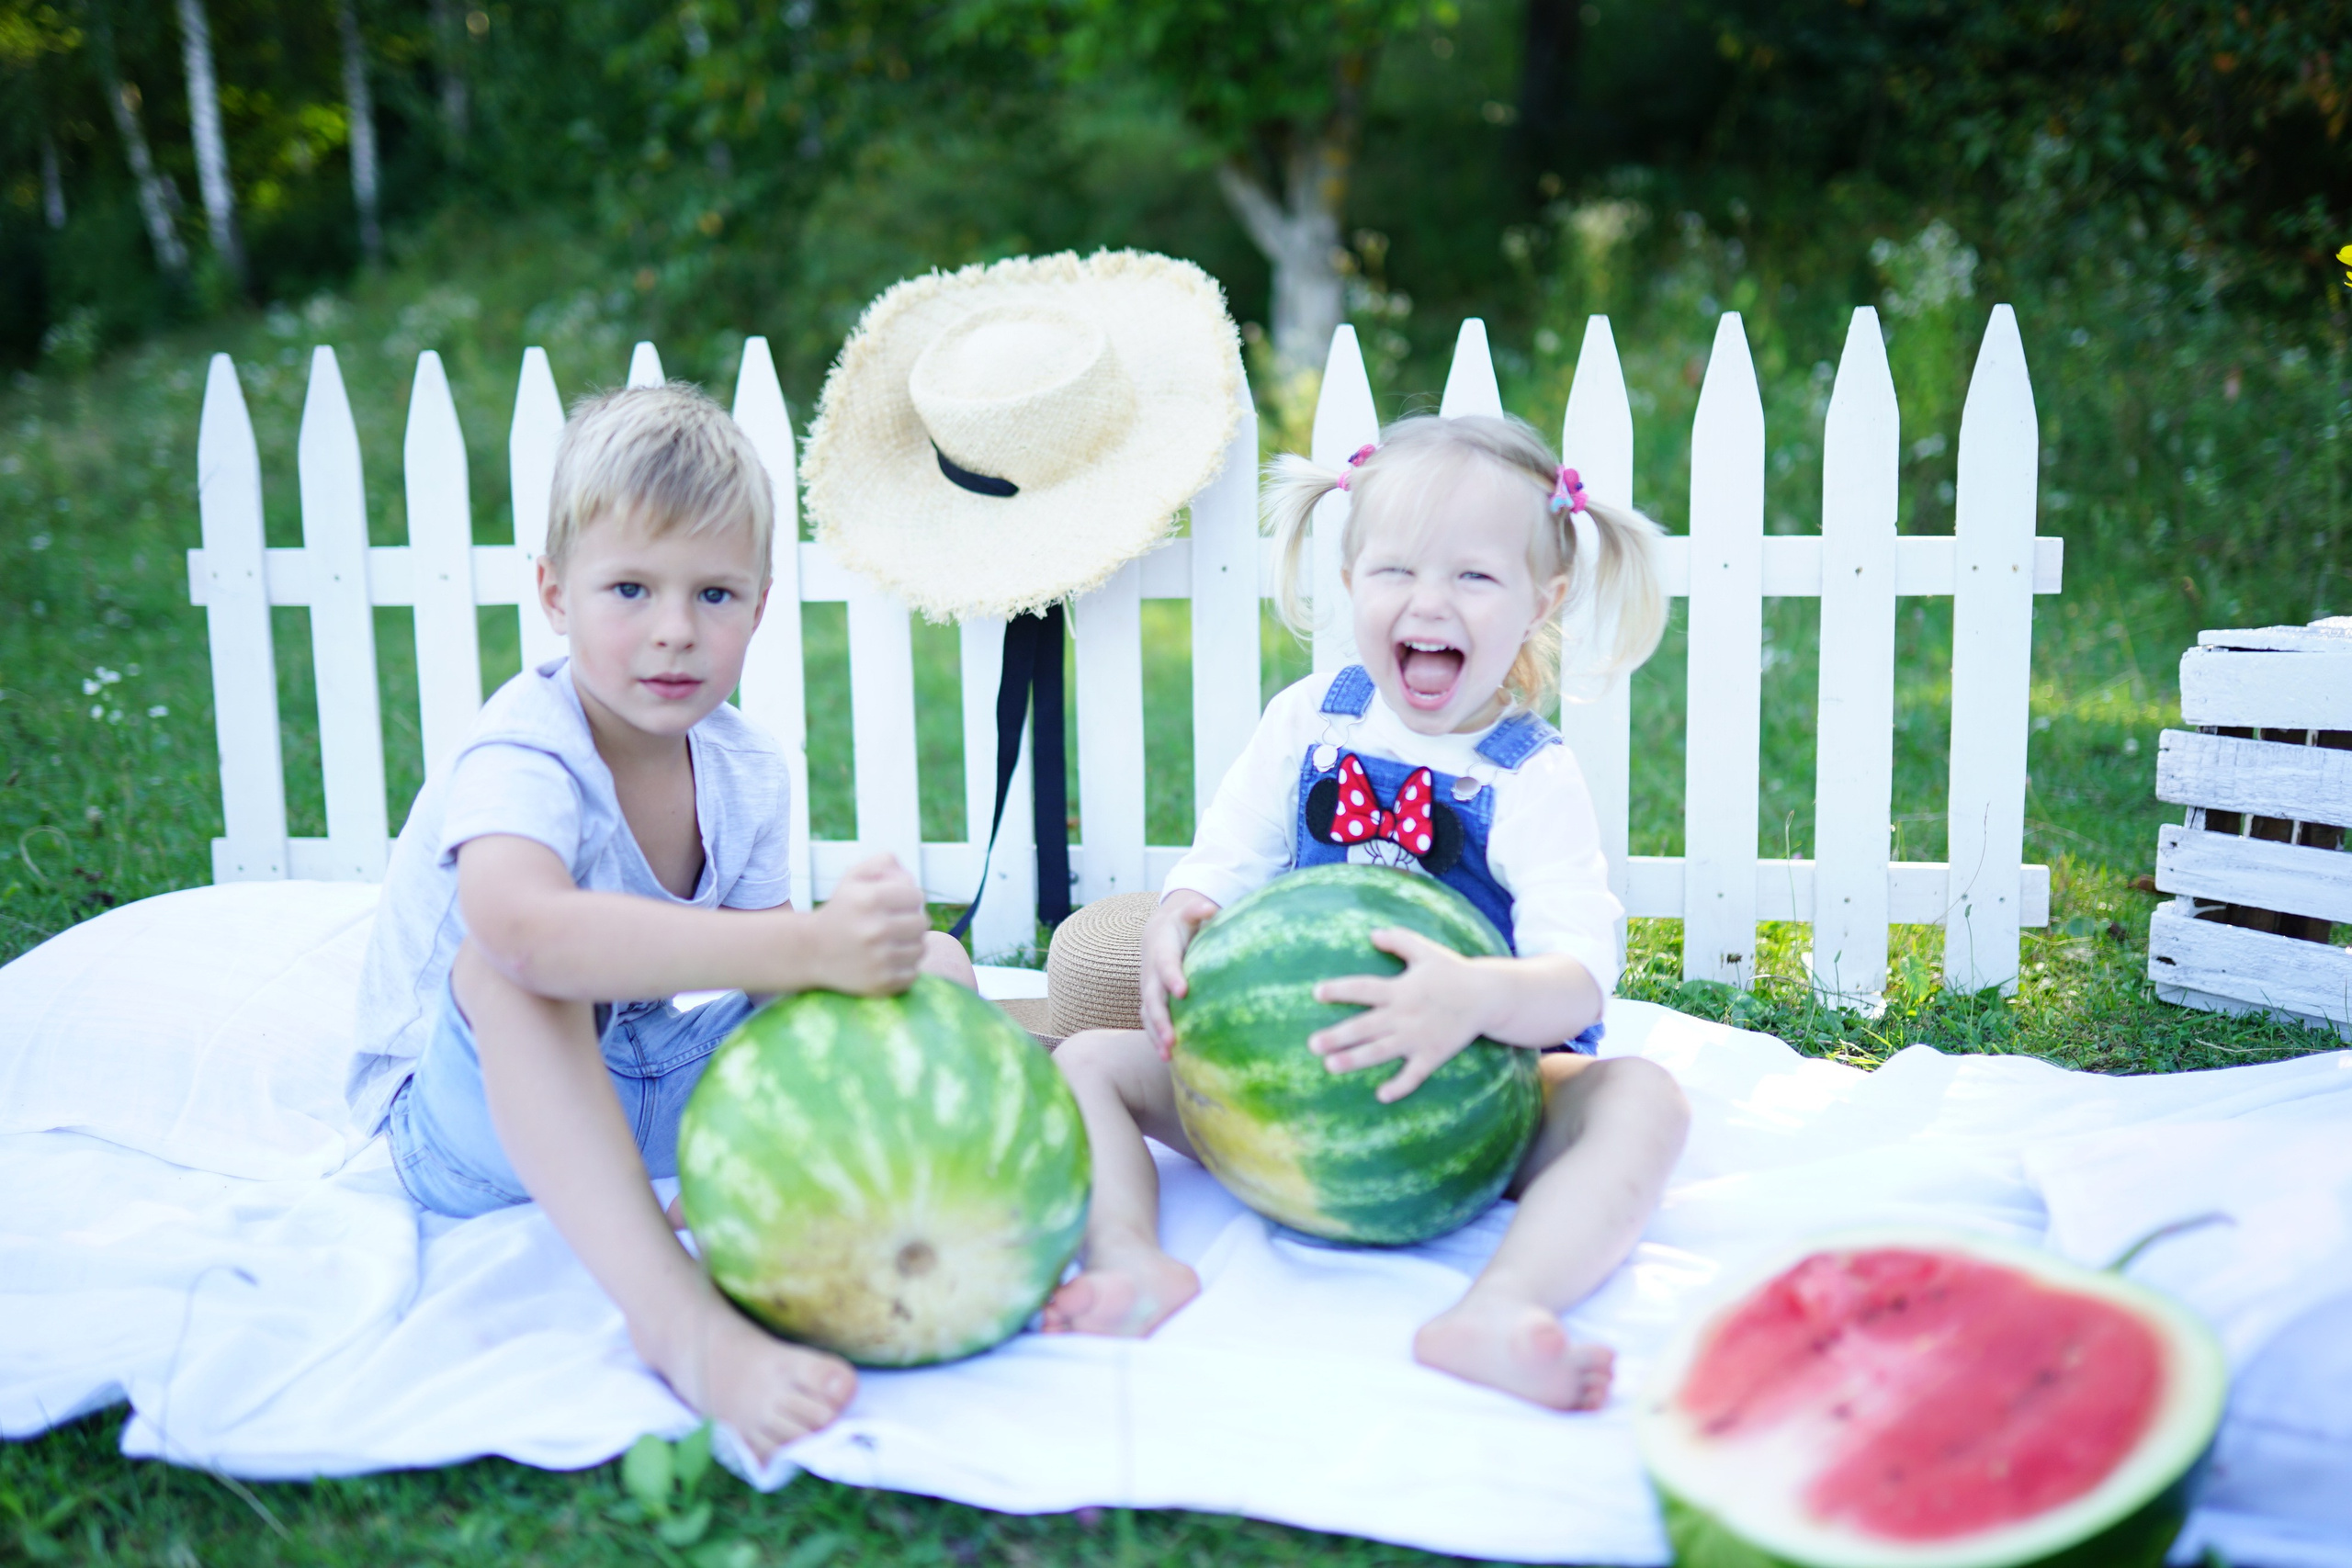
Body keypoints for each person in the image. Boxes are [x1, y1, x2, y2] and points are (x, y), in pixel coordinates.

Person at [348, 383, 974, 1459]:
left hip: (640, 1080)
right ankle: (680, 1327)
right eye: (630, 589)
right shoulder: (523, 750)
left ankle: (816, 1206)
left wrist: (858, 972)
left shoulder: (743, 764)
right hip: (470, 1123)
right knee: (515, 974)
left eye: (715, 595)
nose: (675, 632)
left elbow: (779, 992)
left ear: (762, 605)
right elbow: (525, 933)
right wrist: (806, 943)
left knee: (943, 964)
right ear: (553, 593)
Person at [1043, 414, 1689, 1411]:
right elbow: (1224, 855)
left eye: (1474, 577)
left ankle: (1500, 1306)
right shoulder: (1310, 717)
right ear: (1349, 582)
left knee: (1643, 1098)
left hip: (1477, 1107)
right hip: (1278, 1095)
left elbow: (1577, 980)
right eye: (1396, 571)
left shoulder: (1530, 776)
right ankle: (1129, 1261)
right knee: (1085, 1058)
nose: (1428, 602)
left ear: (1540, 601)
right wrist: (1181, 912)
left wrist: (1473, 997)